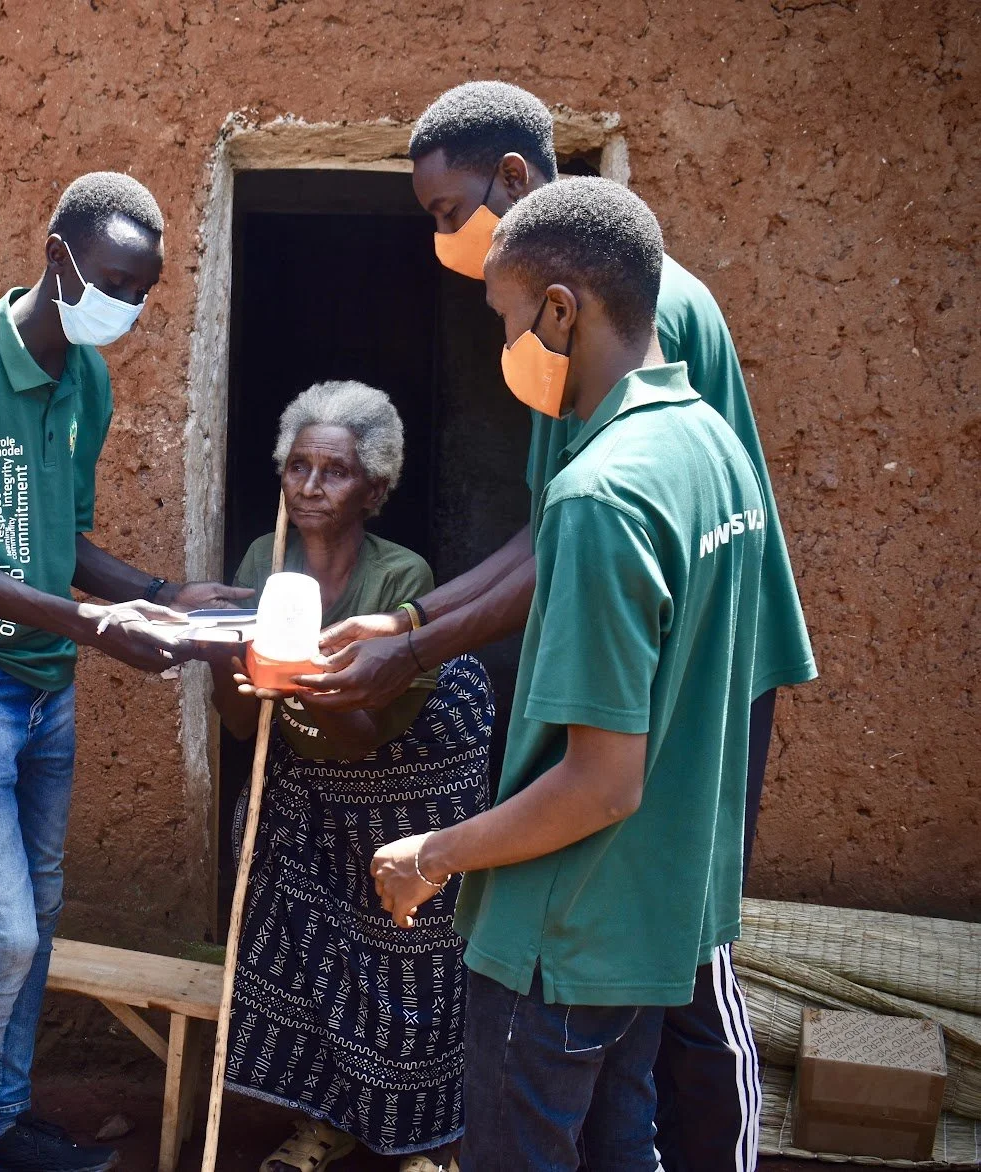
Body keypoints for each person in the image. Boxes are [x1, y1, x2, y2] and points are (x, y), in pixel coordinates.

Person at [311, 81, 817, 1169]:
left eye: (450, 216)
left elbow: (600, 764)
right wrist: (408, 618)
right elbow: (555, 526)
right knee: (628, 1068)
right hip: (626, 816)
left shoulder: (634, 370)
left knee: (694, 968)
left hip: (621, 822)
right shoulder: (677, 419)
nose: (444, 245)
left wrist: (436, 846)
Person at [0, 170, 248, 1172]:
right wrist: (106, 627)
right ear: (59, 259)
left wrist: (164, 589)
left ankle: (5, 1122)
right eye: (115, 282)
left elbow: (59, 540)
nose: (128, 307)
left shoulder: (87, 379)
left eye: (144, 290)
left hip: (46, 684)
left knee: (38, 916)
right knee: (2, 931)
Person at [208, 381, 491, 1172]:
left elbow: (371, 730)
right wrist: (235, 665)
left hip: (399, 793)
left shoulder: (402, 579)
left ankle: (424, 1146)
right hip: (310, 792)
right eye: (297, 467)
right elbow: (240, 725)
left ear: (374, 489)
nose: (308, 486)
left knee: (408, 971)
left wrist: (295, 677)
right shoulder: (265, 562)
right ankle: (327, 1123)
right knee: (316, 962)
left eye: (332, 472)